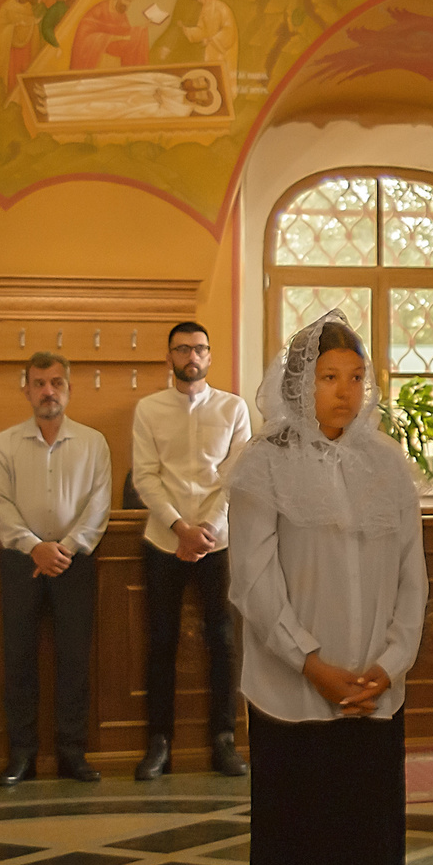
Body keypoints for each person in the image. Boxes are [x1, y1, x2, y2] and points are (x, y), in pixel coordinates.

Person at [230, 314, 426, 865]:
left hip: (372, 690)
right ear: (299, 383)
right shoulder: (265, 463)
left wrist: (390, 662)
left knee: (358, 838)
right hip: (294, 692)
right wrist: (309, 661)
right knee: (297, 837)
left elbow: (412, 574)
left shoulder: (386, 464)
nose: (344, 391)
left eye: (355, 377)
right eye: (327, 377)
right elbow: (253, 577)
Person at [131, 320, 254, 779]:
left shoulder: (233, 407)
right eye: (182, 349)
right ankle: (159, 743)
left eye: (199, 348)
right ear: (169, 357)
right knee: (161, 641)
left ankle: (223, 740)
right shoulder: (148, 409)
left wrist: (207, 528)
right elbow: (145, 476)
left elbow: (237, 476)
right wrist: (180, 527)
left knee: (222, 640)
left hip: (217, 542)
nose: (192, 357)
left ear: (209, 355)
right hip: (163, 539)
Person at [0, 352, 112, 786]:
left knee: (74, 660)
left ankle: (72, 753)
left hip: (75, 563)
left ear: (68, 389)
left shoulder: (93, 443)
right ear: (26, 390)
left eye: (56, 383)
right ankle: (21, 755)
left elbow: (99, 505)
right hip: (21, 562)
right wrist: (35, 547)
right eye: (39, 383)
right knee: (18, 658)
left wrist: (65, 549)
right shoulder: (4, 444)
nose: (48, 391)